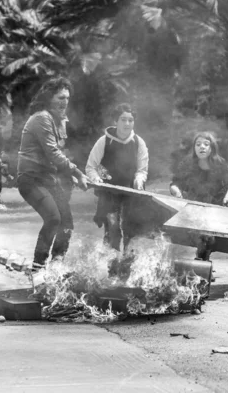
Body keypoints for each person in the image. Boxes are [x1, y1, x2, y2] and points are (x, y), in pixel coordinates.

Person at [17, 77, 89, 273]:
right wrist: (77, 172)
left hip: (49, 180)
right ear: (48, 98)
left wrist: (71, 175)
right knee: (53, 219)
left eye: (67, 98)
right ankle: (38, 268)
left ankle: (57, 267)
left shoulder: (58, 121)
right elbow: (53, 153)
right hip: (31, 180)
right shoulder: (42, 118)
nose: (65, 102)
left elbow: (58, 157)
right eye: (60, 97)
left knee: (67, 224)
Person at [85, 103, 149, 252]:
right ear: (115, 121)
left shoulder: (139, 143)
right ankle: (111, 267)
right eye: (123, 119)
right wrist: (97, 180)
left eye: (130, 120)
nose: (127, 123)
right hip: (109, 193)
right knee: (112, 230)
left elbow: (142, 170)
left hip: (132, 193)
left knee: (131, 232)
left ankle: (127, 267)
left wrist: (139, 181)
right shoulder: (104, 141)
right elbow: (91, 167)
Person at [170, 131, 228, 265]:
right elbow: (174, 184)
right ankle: (201, 264)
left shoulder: (220, 163)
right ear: (194, 148)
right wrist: (177, 193)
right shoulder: (187, 163)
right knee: (201, 237)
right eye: (198, 144)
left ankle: (202, 263)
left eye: (206, 144)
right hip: (191, 207)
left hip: (214, 207)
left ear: (212, 148)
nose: (202, 147)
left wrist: (227, 198)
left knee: (207, 238)